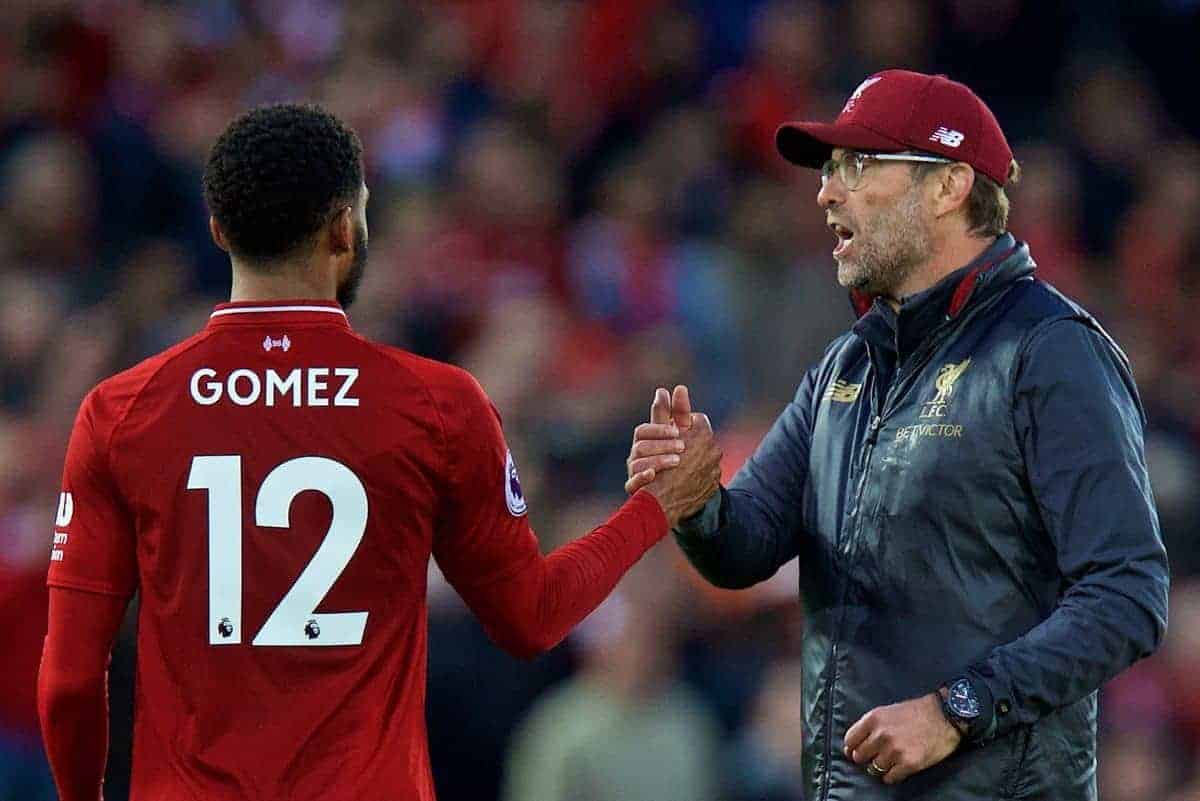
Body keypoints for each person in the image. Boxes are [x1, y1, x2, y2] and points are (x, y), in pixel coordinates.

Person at [36, 103, 721, 801]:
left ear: (218, 231)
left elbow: (67, 683)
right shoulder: (436, 403)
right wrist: (654, 506)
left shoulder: (121, 412)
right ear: (344, 228)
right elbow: (532, 616)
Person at [626, 69, 1169, 800]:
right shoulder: (845, 364)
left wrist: (959, 707)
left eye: (858, 165)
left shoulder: (1050, 352)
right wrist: (694, 504)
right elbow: (744, 546)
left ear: (948, 187)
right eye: (828, 170)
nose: (826, 192)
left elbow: (1127, 593)